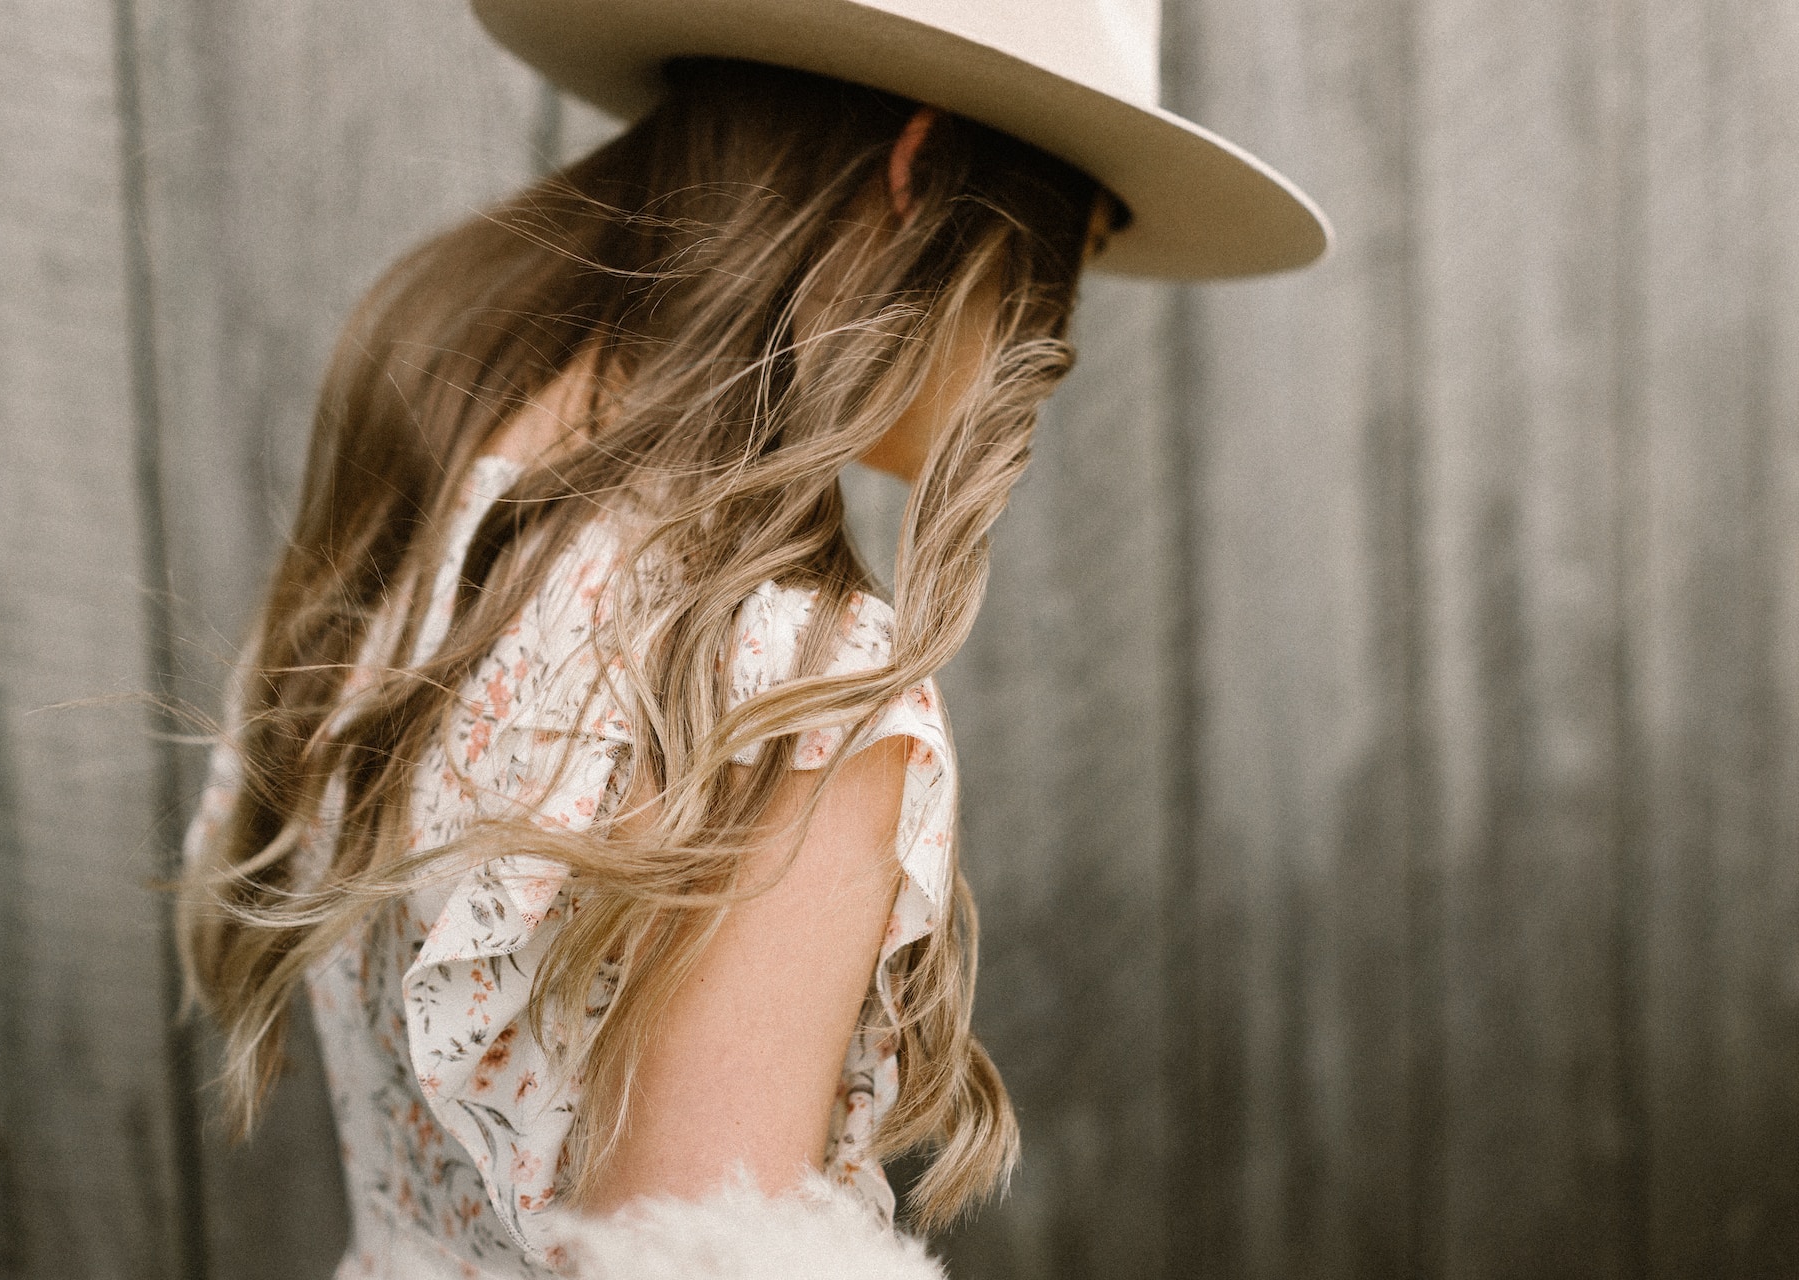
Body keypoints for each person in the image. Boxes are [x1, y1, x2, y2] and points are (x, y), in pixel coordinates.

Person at [178, 2, 1327, 1276]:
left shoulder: (442, 477)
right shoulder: (789, 688)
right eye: (1063, 251)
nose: (1053, 346)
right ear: (919, 170)